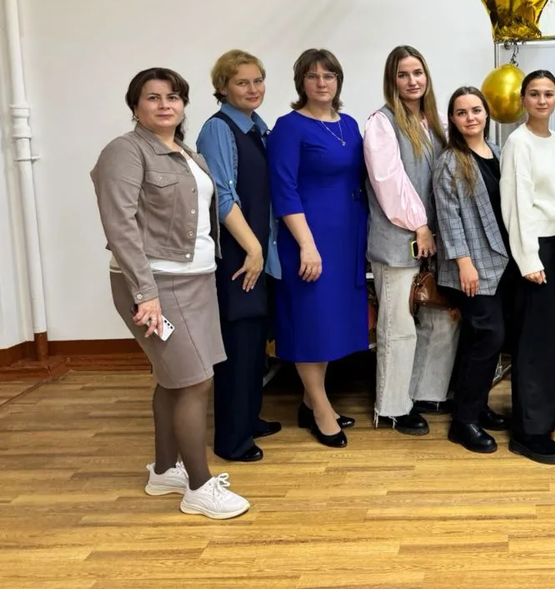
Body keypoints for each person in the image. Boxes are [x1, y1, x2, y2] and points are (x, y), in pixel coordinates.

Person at [91, 67, 250, 520]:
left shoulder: (186, 153)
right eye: (153, 97)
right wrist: (145, 293)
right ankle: (199, 487)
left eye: (174, 97)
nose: (165, 105)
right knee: (195, 382)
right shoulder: (124, 151)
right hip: (158, 283)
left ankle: (164, 471)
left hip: (197, 279)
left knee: (174, 378)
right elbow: (119, 225)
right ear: (135, 106)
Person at [267, 48, 369, 448]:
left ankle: (311, 401)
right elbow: (284, 189)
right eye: (312, 76)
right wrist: (307, 245)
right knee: (310, 321)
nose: (322, 82)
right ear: (301, 83)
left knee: (329, 322)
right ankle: (322, 410)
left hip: (346, 238)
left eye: (329, 76)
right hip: (308, 238)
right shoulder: (289, 127)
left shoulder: (349, 124)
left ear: (338, 81)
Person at [364, 45, 458, 435]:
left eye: (417, 72)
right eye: (403, 74)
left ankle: (427, 393)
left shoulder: (436, 122)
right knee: (399, 325)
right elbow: (389, 182)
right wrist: (419, 225)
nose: (412, 81)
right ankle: (392, 407)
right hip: (399, 239)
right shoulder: (381, 123)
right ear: (393, 80)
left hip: (435, 239)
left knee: (440, 317)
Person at [196, 50, 282, 464]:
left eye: (257, 81)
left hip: (257, 253)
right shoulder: (218, 128)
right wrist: (253, 248)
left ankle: (249, 418)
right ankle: (232, 440)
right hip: (238, 254)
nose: (252, 89)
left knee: (253, 343)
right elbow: (222, 196)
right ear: (223, 87)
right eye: (242, 82)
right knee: (237, 346)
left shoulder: (258, 128)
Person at [432, 86, 512, 454]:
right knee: (489, 336)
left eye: (476, 110)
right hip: (471, 265)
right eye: (461, 112)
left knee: (480, 339)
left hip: (499, 260)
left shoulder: (495, 151)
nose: (470, 118)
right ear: (452, 119)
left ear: (486, 114)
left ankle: (476, 406)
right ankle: (463, 422)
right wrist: (464, 263)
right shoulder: (451, 160)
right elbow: (448, 217)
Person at [499, 69, 555, 464]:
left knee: (554, 337)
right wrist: (528, 258)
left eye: (548, 94)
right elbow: (516, 203)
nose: (542, 100)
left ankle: (548, 405)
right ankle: (529, 431)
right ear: (523, 100)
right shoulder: (518, 142)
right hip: (535, 248)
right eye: (534, 94)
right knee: (534, 344)